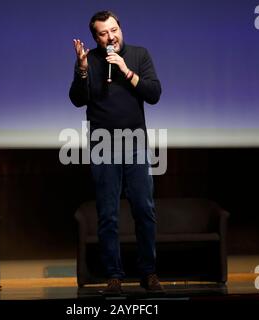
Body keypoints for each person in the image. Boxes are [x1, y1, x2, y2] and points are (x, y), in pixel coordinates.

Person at [69, 10, 163, 294]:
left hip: (135, 143)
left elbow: (154, 94)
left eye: (114, 30)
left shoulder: (139, 55)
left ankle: (149, 273)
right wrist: (82, 69)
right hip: (103, 145)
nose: (111, 37)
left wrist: (125, 69)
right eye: (103, 33)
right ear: (95, 38)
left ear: (120, 28)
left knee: (144, 210)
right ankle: (114, 276)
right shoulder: (91, 61)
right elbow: (77, 100)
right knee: (108, 214)